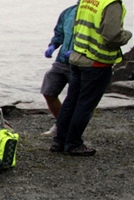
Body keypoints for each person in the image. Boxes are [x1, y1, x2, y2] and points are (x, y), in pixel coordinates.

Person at [51, 0, 132, 156]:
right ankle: (73, 143)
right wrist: (127, 35)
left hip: (78, 56)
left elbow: (76, 25)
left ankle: (59, 141)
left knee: (71, 100)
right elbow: (112, 36)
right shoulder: (111, 3)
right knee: (85, 104)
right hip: (97, 61)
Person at [41, 4, 77, 137]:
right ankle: (60, 124)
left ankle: (71, 132)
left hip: (80, 63)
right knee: (48, 91)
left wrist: (78, 52)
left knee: (74, 99)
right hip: (61, 60)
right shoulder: (68, 12)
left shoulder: (96, 13)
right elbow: (59, 34)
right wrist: (53, 46)